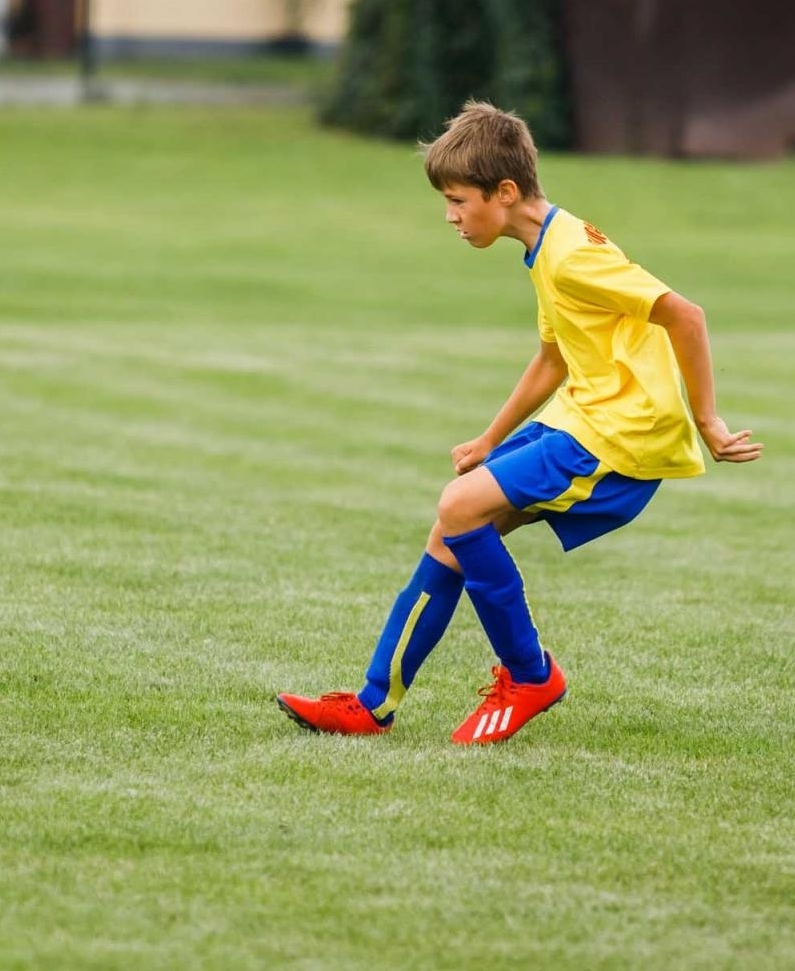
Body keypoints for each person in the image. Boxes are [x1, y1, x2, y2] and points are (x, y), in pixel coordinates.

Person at [276, 101, 763, 745]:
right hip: (583, 416)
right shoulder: (546, 246)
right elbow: (553, 358)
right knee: (451, 529)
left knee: (459, 505)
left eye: (457, 200)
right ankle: (371, 706)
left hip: (619, 435)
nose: (450, 216)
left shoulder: (571, 257)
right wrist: (490, 439)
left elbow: (686, 315)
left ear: (504, 192)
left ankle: (530, 675)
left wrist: (708, 420)